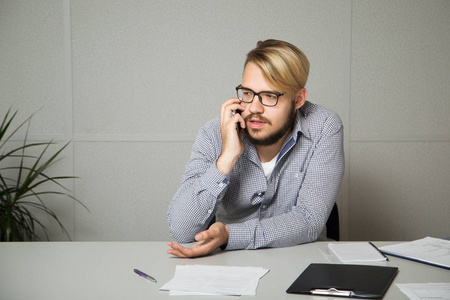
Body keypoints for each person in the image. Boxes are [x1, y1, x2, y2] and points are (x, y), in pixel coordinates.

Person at [167, 39, 344, 258]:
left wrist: (230, 236)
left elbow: (309, 220)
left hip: (301, 259)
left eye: (270, 96)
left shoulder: (324, 126)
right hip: (234, 265)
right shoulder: (215, 132)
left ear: (298, 99)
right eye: (248, 93)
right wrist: (226, 159)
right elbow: (181, 229)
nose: (254, 108)